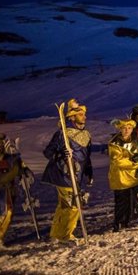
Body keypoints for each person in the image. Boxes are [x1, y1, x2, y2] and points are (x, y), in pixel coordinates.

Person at [42, 99, 93, 242]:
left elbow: (86, 157)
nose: (85, 117)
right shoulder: (62, 134)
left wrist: (89, 172)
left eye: (84, 114)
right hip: (63, 173)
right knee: (73, 205)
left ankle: (56, 234)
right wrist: (61, 154)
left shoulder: (87, 135)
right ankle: (65, 235)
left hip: (77, 175)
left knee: (65, 205)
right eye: (81, 114)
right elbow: (48, 152)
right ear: (72, 117)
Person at [108, 119, 138, 232]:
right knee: (122, 203)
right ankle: (119, 224)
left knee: (136, 200)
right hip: (121, 178)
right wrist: (135, 163)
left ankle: (137, 219)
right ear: (120, 129)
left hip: (133, 177)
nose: (126, 130)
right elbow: (118, 161)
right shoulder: (114, 143)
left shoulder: (135, 140)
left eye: (129, 128)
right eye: (124, 128)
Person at [0, 133, 22, 243]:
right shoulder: (4, 160)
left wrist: (23, 169)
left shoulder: (10, 157)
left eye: (0, 145)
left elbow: (18, 168)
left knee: (5, 214)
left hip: (6, 191)